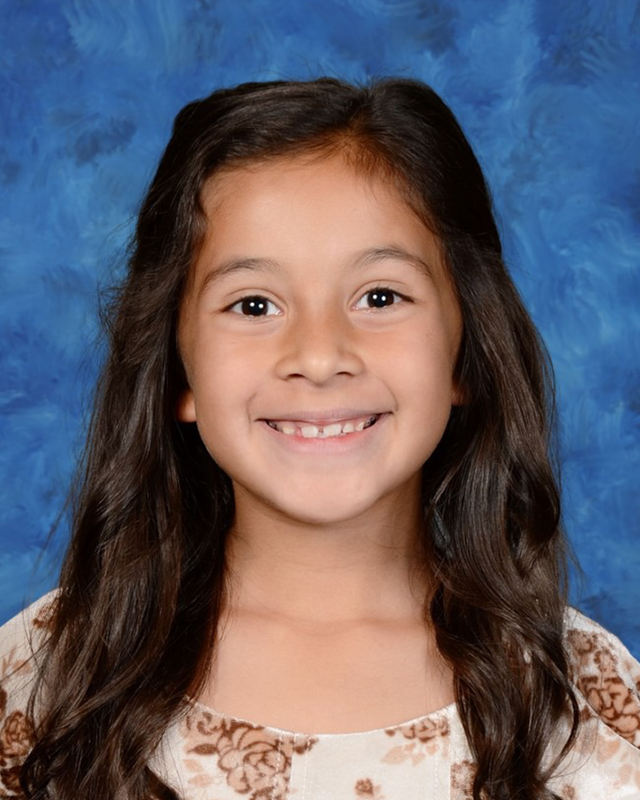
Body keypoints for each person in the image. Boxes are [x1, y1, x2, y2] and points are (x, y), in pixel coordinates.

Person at [0, 77, 638, 800]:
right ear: (177, 372)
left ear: (466, 354)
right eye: (253, 304)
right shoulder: (50, 676)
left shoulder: (580, 691)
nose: (320, 353)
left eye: (380, 297)